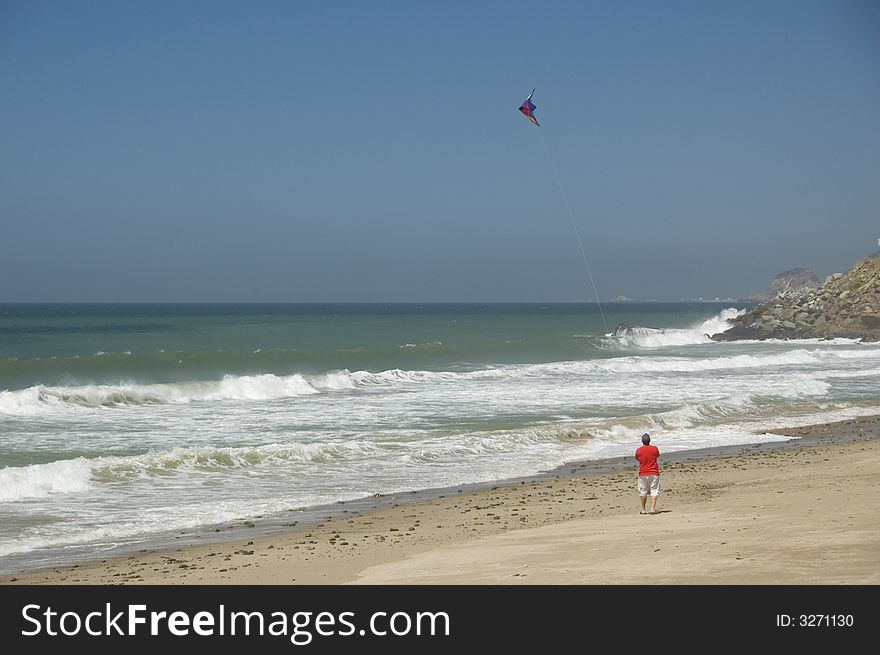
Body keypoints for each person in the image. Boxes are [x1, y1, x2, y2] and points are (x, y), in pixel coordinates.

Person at [635, 432, 660, 514]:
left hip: (643, 473)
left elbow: (637, 458)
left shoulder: (639, 450)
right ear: (649, 441)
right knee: (654, 490)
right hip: (654, 472)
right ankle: (652, 508)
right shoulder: (654, 449)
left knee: (643, 491)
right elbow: (657, 455)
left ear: (642, 441)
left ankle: (643, 509)